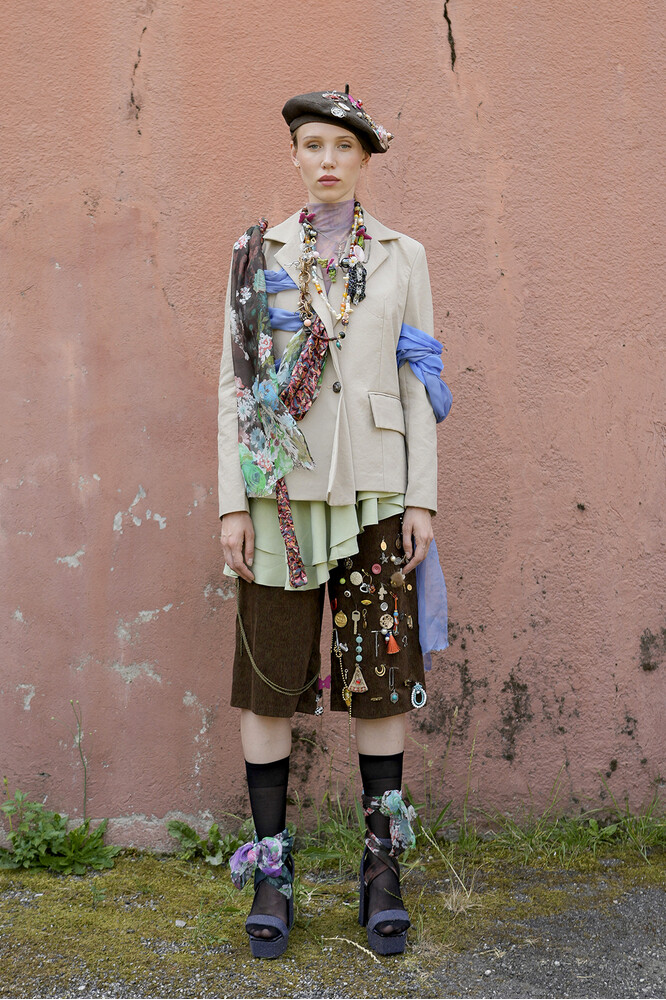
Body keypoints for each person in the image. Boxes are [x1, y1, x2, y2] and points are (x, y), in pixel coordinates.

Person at [219, 89, 451, 959]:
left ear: (363, 159)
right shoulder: (257, 254)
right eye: (311, 144)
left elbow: (420, 377)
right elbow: (235, 385)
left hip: (378, 495)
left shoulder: (403, 255)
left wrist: (421, 497)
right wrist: (232, 503)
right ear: (294, 155)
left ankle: (381, 868)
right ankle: (272, 872)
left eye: (342, 147)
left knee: (381, 680)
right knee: (269, 681)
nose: (326, 160)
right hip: (279, 494)